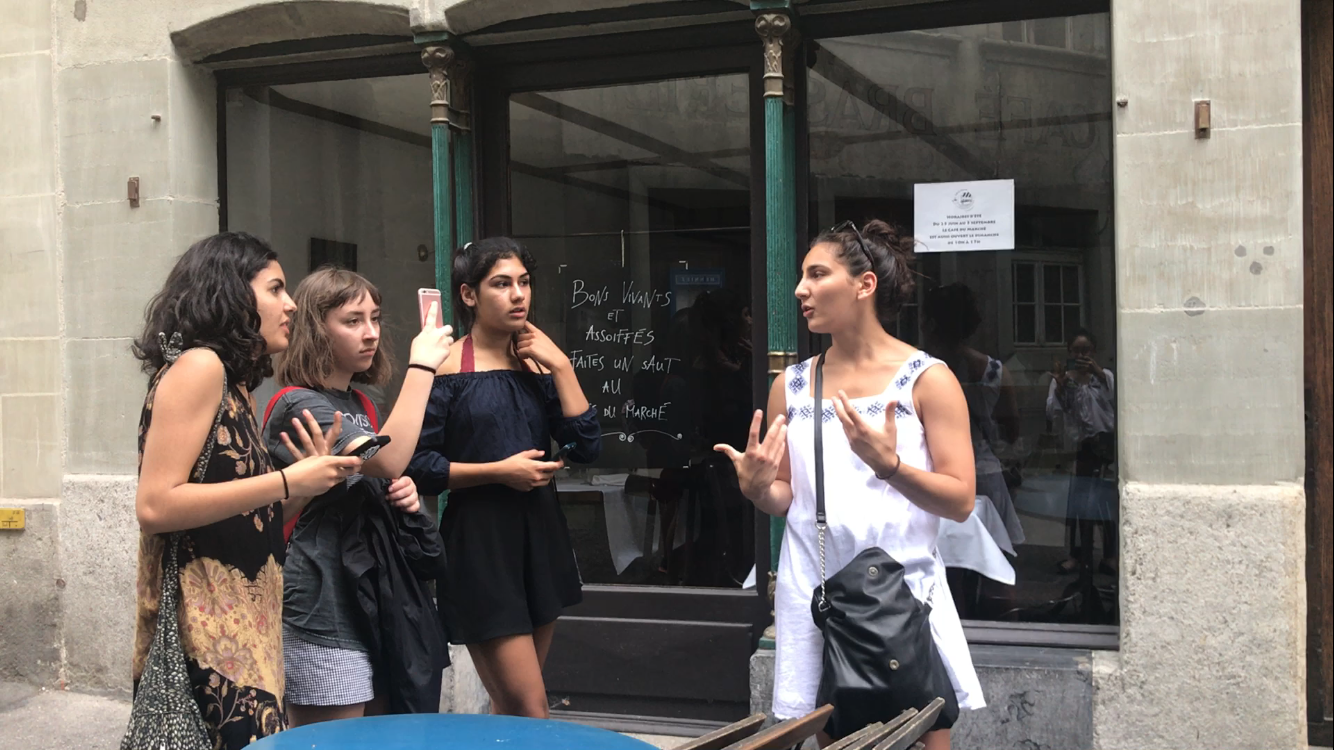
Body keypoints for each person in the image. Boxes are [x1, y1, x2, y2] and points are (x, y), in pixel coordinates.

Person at [715, 220, 985, 749]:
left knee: (921, 737)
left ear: (865, 285)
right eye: (801, 276)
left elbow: (959, 501)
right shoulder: (792, 385)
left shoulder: (927, 379)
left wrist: (890, 466)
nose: (800, 290)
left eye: (817, 274)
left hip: (903, 596)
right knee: (838, 741)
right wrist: (756, 488)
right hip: (820, 594)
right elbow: (785, 498)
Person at [130, 232, 362, 749]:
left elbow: (244, 523)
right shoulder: (200, 367)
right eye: (276, 288)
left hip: (245, 632)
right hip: (206, 640)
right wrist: (284, 480)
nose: (291, 303)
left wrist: (304, 485)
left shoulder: (235, 386)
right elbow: (154, 504)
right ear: (233, 295)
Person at [407, 237, 602, 718]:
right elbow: (417, 465)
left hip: (541, 538)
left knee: (512, 711)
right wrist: (499, 472)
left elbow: (585, 446)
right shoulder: (446, 366)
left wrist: (562, 365)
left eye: (524, 283)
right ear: (469, 294)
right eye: (502, 284)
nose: (519, 295)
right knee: (531, 708)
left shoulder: (538, 362)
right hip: (480, 547)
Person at [263, 266, 454, 726]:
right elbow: (385, 458)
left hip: (374, 595)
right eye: (352, 321)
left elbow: (385, 470)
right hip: (323, 603)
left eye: (375, 319)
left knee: (380, 735)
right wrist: (424, 367)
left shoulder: (363, 404)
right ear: (314, 328)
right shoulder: (297, 402)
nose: (370, 334)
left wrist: (400, 491)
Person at [1047, 328, 1117, 577]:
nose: (1081, 355)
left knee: (1106, 504)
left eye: (1085, 350)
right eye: (1076, 350)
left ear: (1094, 352)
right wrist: (1061, 387)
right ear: (1069, 352)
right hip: (1080, 447)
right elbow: (1055, 414)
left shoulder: (1105, 377)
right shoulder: (1065, 380)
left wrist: (1098, 372)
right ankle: (1077, 554)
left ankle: (1110, 555)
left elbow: (1120, 402)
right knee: (1078, 505)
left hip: (1106, 445)